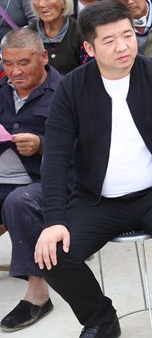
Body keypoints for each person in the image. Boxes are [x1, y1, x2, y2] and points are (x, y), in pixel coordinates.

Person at [34, 0, 152, 338]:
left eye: (127, 35)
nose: (123, 46)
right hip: (97, 199)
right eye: (109, 40)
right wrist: (53, 220)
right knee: (51, 255)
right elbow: (54, 156)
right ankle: (101, 319)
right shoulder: (72, 87)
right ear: (89, 48)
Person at [0, 28, 59, 333]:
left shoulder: (66, 91)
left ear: (44, 57)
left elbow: (88, 145)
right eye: (8, 63)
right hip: (3, 177)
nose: (15, 72)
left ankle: (38, 294)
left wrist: (42, 144)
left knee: (19, 201)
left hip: (46, 182)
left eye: (23, 62)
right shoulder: (2, 90)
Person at [29, 0, 87, 75]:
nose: (41, 4)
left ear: (63, 2)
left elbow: (88, 71)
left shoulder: (81, 32)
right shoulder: (28, 34)